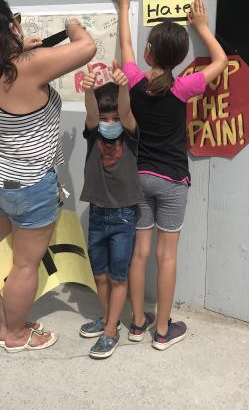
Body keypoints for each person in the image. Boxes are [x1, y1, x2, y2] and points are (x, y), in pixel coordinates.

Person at [0, 0, 96, 352]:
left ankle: (7, 316)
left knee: (6, 255)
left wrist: (23, 50)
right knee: (24, 265)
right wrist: (72, 26)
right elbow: (86, 47)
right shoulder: (27, 66)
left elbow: (14, 77)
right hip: (28, 185)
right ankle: (16, 334)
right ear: (10, 27)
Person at [110, 0, 228, 350]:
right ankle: (163, 331)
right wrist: (202, 27)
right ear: (178, 59)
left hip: (139, 177)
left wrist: (124, 4)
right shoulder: (184, 88)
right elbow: (222, 62)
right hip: (173, 180)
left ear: (149, 54)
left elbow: (125, 46)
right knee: (167, 255)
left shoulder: (134, 81)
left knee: (140, 252)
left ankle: (137, 323)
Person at [78, 61, 144, 359]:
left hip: (124, 216)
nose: (109, 121)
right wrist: (89, 89)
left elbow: (128, 112)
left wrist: (123, 86)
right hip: (96, 214)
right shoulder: (94, 133)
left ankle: (109, 333)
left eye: (113, 116)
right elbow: (91, 113)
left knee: (119, 277)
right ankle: (108, 320)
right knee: (100, 275)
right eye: (106, 117)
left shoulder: (130, 134)